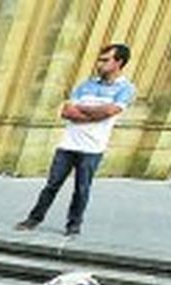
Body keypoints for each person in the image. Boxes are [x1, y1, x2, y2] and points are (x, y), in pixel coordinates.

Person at [17, 44, 135, 236]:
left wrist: (84, 110)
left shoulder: (126, 88)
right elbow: (66, 111)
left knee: (82, 189)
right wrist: (97, 113)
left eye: (105, 60)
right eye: (100, 59)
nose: (100, 64)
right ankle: (34, 219)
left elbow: (110, 112)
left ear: (119, 62)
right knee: (52, 185)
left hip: (92, 148)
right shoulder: (85, 85)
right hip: (68, 145)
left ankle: (73, 225)